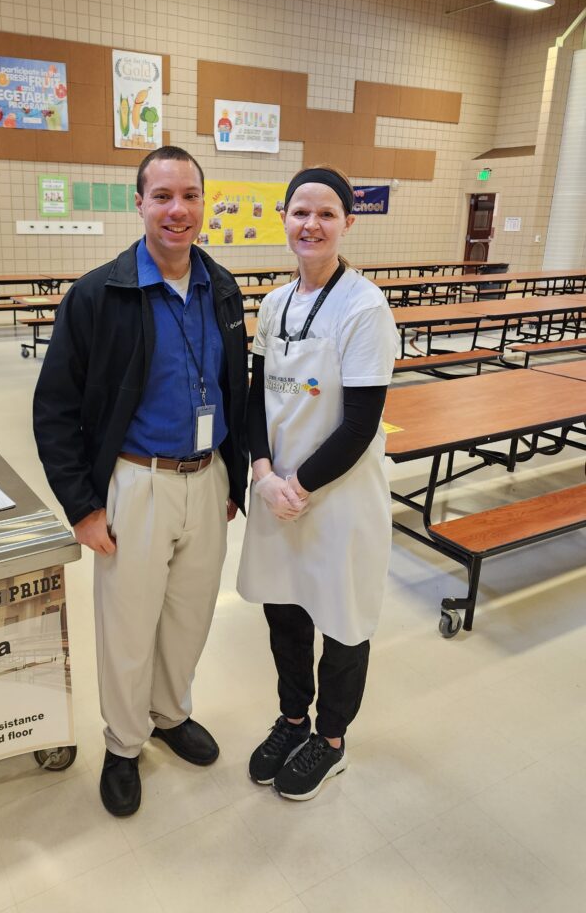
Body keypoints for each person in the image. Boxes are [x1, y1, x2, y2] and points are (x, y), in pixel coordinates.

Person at [34, 146, 249, 817]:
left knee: (188, 617)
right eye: (162, 196)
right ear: (139, 203)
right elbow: (55, 410)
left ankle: (168, 713)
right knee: (129, 626)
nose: (177, 210)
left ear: (203, 204)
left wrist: (234, 477)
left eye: (189, 195)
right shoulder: (98, 295)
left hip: (207, 479)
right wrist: (82, 507)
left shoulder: (224, 287)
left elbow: (235, 391)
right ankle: (124, 745)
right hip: (137, 483)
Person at [237, 166, 398, 802]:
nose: (312, 224)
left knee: (342, 618)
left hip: (337, 500)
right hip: (277, 492)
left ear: (347, 223)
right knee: (285, 610)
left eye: (326, 213)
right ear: (284, 218)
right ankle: (293, 719)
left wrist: (295, 486)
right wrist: (262, 475)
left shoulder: (364, 307)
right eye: (300, 212)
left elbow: (360, 423)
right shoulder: (274, 304)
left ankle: (330, 740)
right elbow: (254, 400)